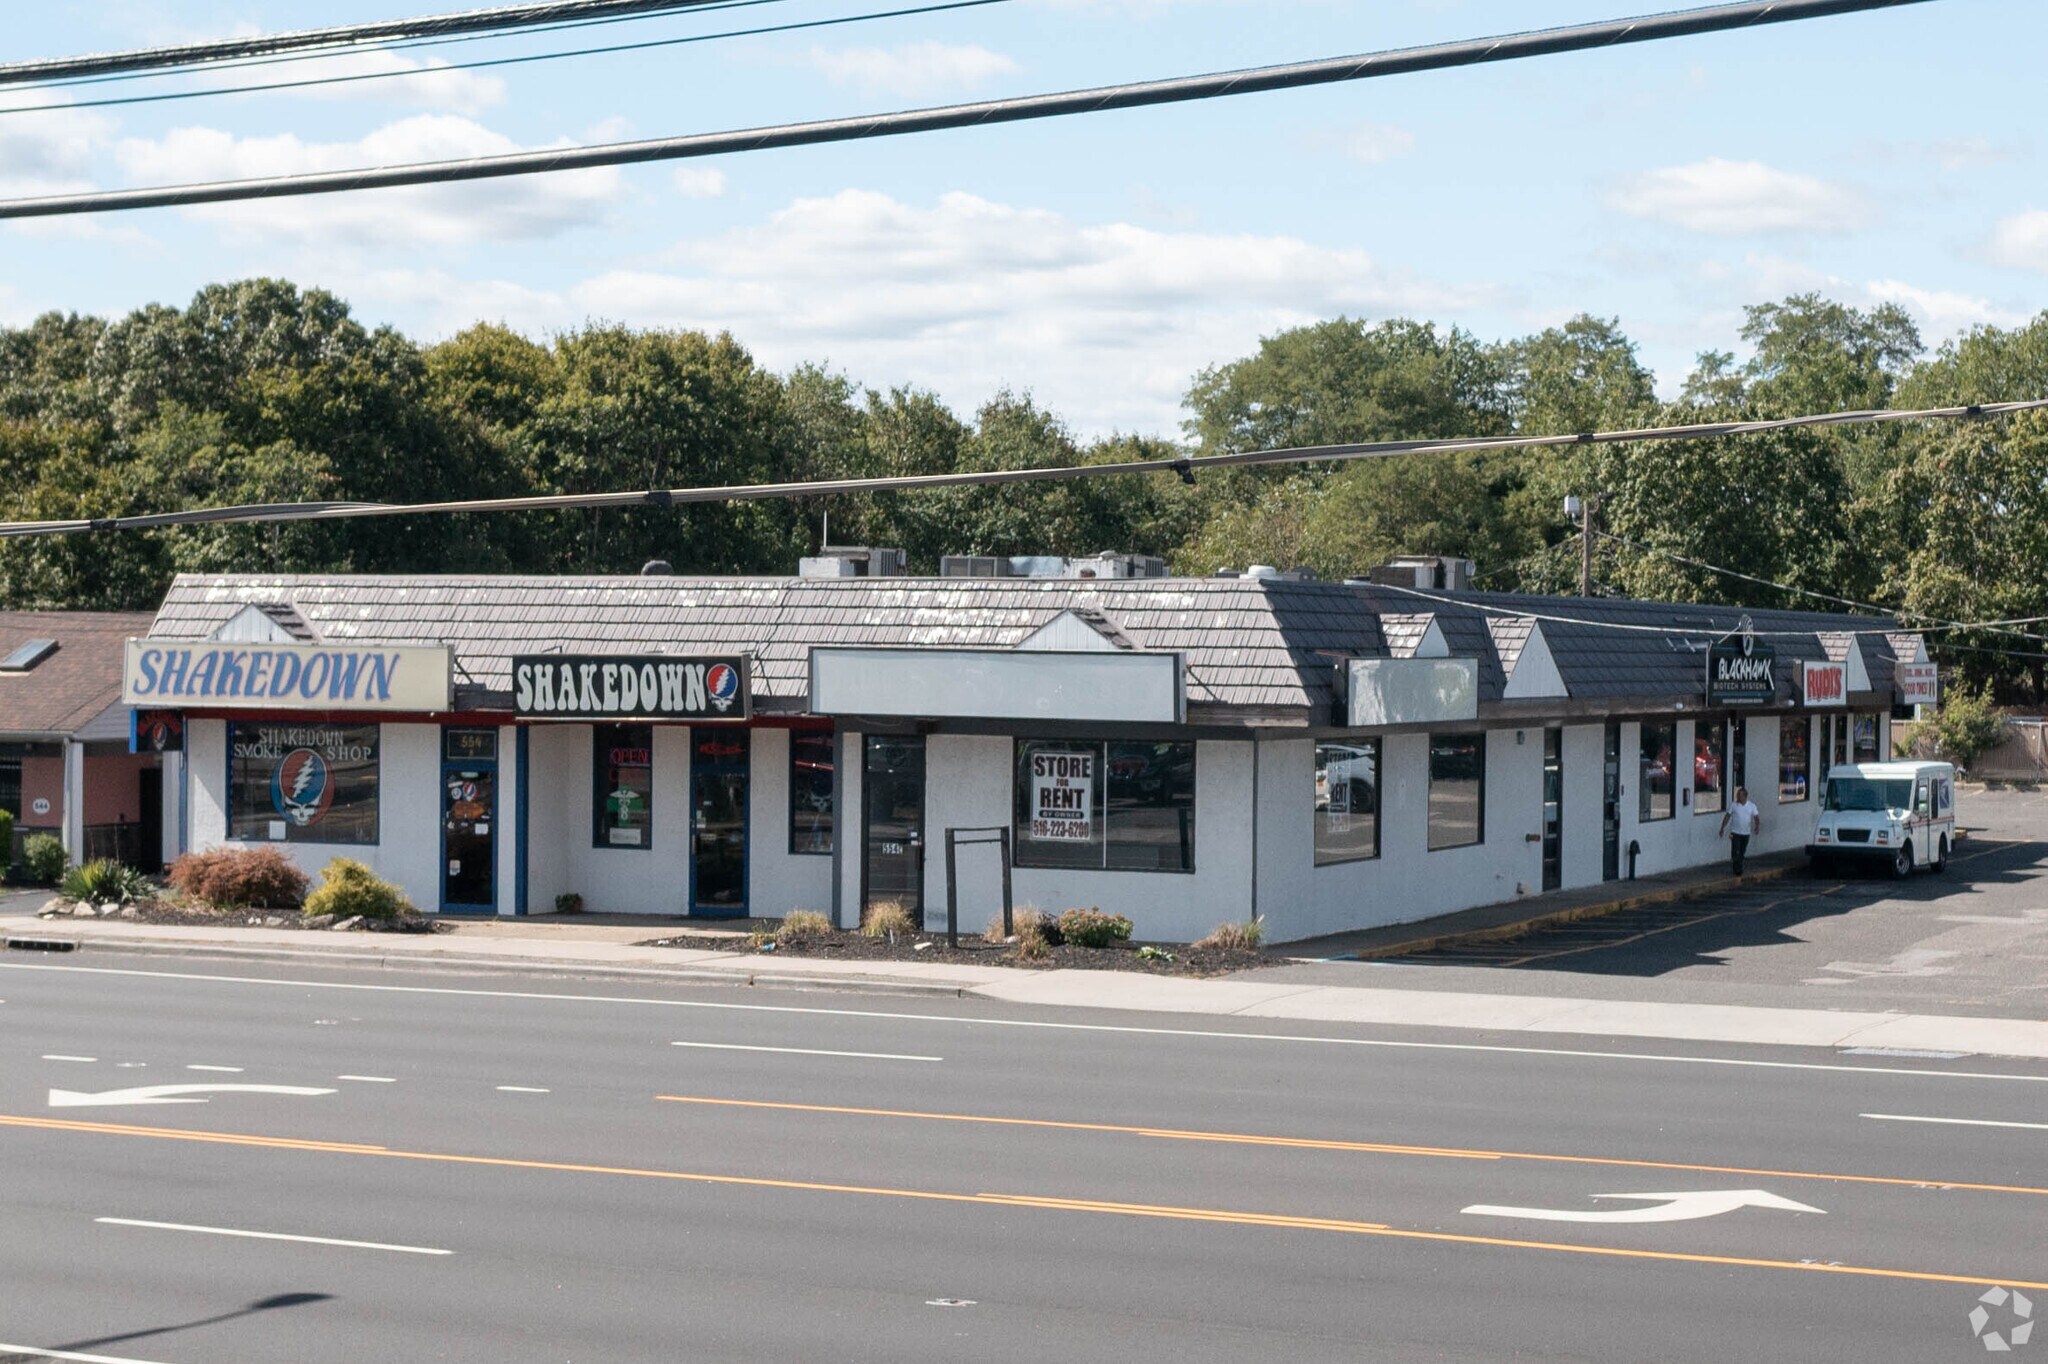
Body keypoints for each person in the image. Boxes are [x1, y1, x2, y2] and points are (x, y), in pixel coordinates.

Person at [1720, 785, 1761, 875]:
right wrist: (1722, 827)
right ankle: (1737, 868)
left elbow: (1756, 817)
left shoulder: (1751, 806)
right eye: (1737, 795)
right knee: (1736, 850)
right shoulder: (1733, 805)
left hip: (1746, 833)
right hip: (1734, 833)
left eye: (1740, 795)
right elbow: (1727, 816)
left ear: (1745, 796)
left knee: (1742, 850)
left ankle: (1739, 864)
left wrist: (1757, 826)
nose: (1738, 797)